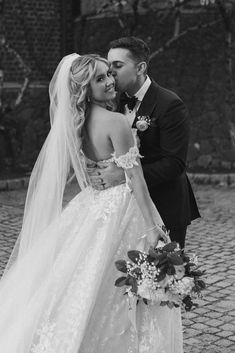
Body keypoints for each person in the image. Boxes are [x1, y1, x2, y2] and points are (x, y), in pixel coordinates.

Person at [0, 54, 183, 352]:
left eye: (109, 73)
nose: (110, 81)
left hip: (93, 205)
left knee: (83, 282)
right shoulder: (116, 122)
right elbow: (135, 179)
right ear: (84, 89)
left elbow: (84, 169)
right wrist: (153, 226)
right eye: (100, 79)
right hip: (123, 209)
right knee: (122, 289)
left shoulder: (77, 125)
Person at [89, 36, 200, 249]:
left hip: (164, 204)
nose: (110, 72)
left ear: (140, 68)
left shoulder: (170, 104)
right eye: (108, 65)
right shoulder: (112, 101)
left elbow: (174, 164)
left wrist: (124, 176)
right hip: (125, 210)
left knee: (165, 277)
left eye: (117, 66)